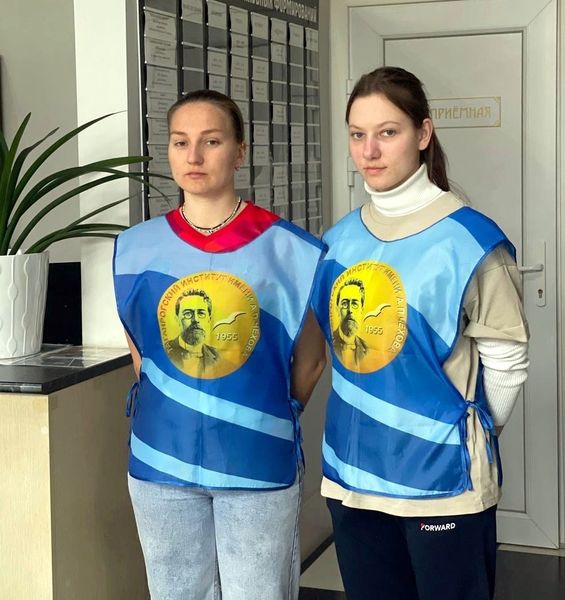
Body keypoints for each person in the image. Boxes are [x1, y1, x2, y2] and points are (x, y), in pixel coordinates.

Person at [311, 67, 529, 600]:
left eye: (388, 132)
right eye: (358, 134)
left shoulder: (472, 241)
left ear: (423, 133)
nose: (369, 151)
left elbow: (507, 365)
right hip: (352, 477)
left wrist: (471, 439)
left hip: (441, 484)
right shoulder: (337, 242)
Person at [113, 89, 326, 600]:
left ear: (239, 151)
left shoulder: (291, 249)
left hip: (257, 459)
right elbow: (141, 354)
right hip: (161, 460)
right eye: (180, 142)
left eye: (211, 141)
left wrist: (268, 413)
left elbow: (312, 359)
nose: (194, 156)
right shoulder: (134, 248)